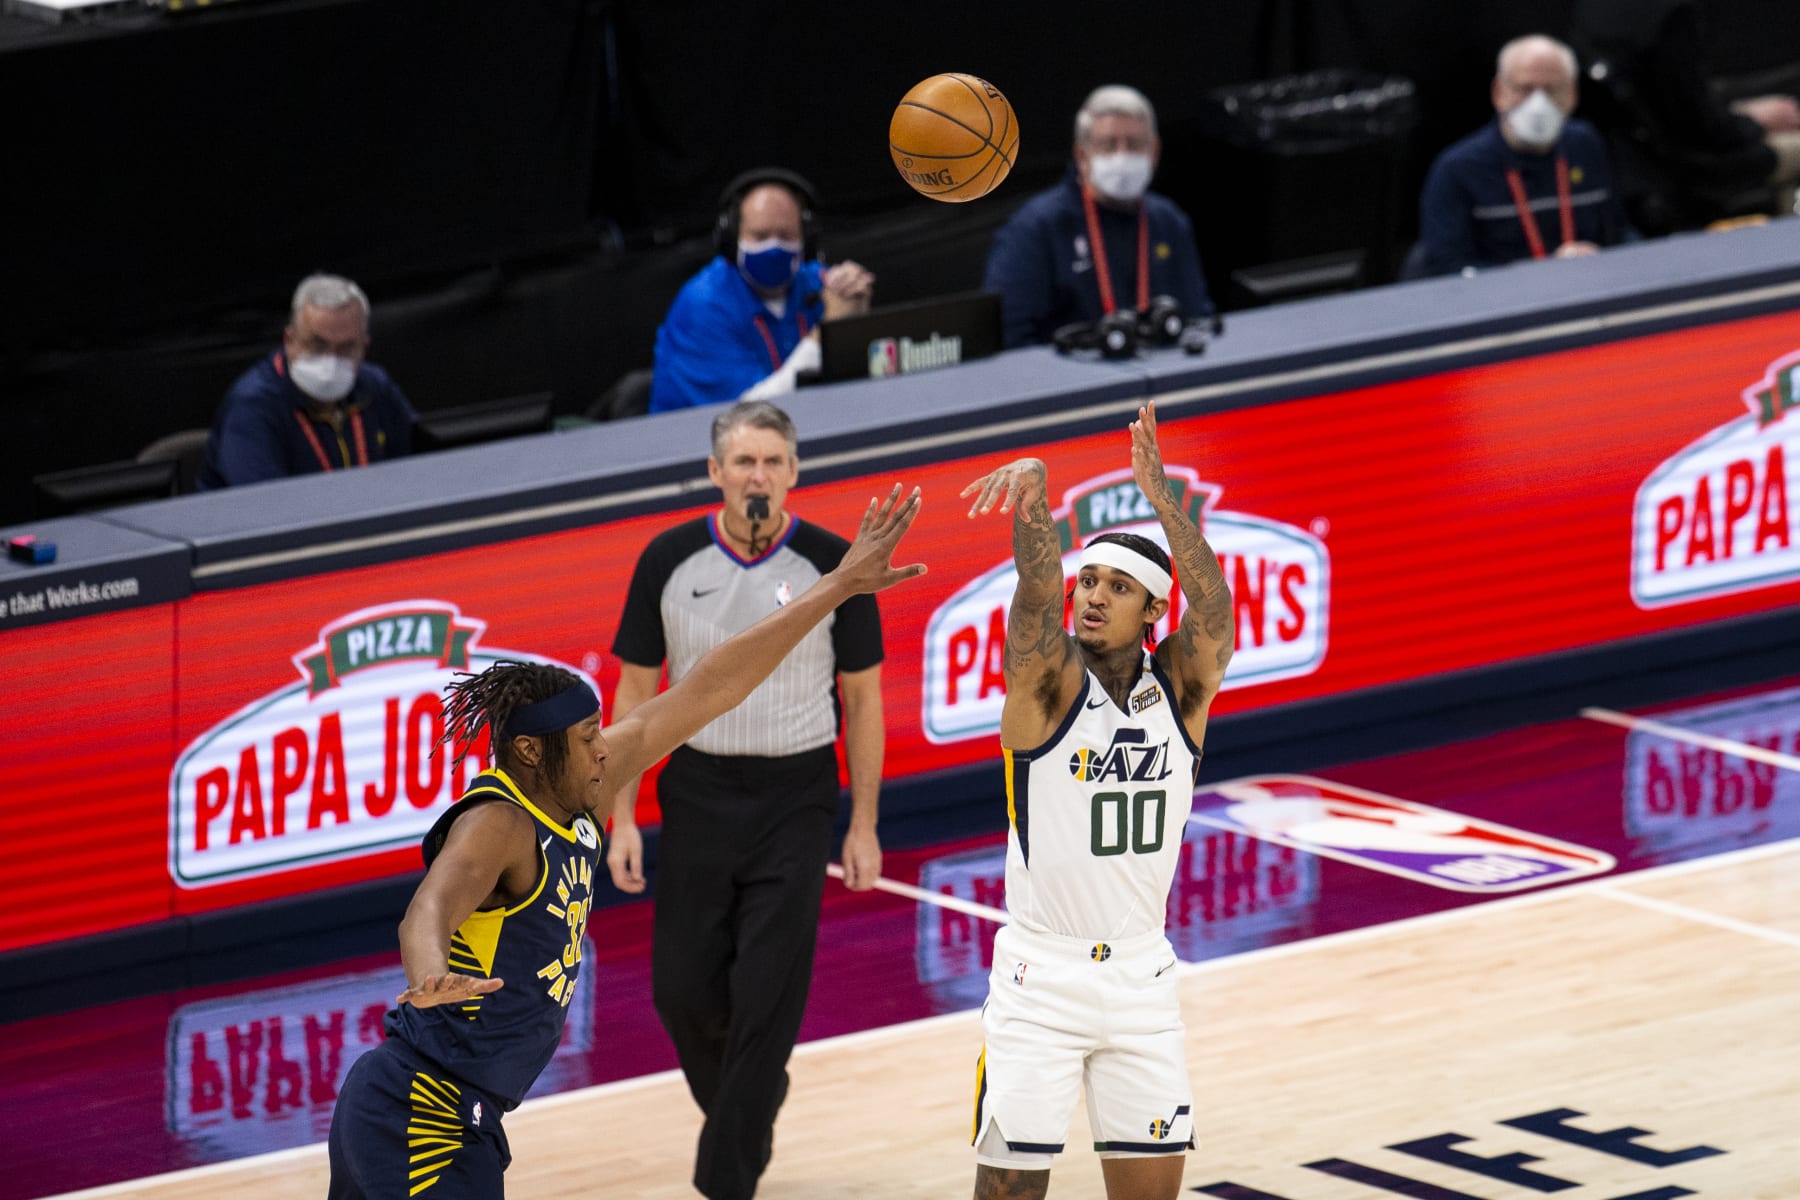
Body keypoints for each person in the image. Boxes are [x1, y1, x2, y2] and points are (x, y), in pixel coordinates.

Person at [324, 482, 925, 1199]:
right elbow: (428, 908)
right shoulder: (500, 823)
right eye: (586, 740)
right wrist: (429, 978)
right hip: (423, 1112)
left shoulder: (587, 789)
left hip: (451, 1107)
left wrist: (837, 587)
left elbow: (713, 684)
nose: (606, 750)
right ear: (530, 755)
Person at [604, 399, 887, 1200]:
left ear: (794, 474)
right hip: (693, 789)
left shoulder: (839, 566)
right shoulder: (667, 558)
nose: (757, 475)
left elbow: (863, 703)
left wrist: (862, 824)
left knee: (767, 991)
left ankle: (724, 1183)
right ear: (715, 473)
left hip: (797, 794)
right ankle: (755, 1100)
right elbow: (634, 692)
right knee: (680, 992)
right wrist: (621, 813)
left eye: (773, 461)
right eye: (743, 462)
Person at [956, 400, 1234, 1200]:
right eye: (1090, 581)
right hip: (1041, 981)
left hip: (1144, 978)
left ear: (1153, 611)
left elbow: (1215, 612)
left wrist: (1163, 501)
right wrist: (1036, 495)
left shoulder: (1179, 691)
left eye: (1118, 586)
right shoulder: (1045, 687)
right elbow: (1037, 593)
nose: (1092, 597)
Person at [981, 85, 1212, 350]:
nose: (1122, 155)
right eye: (1108, 144)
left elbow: (1198, 319)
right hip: (1072, 381)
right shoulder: (1035, 228)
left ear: (1154, 152)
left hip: (1161, 377)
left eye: (1135, 144)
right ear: (1082, 155)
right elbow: (1008, 337)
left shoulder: (1168, 221)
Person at [649, 168, 876, 413]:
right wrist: (827, 334)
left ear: (806, 240)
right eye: (760, 236)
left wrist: (853, 299)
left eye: (786, 235)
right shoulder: (703, 305)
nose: (774, 247)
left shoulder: (813, 282)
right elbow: (747, 416)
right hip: (702, 444)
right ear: (732, 238)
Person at [1411, 35, 1633, 278]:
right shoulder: (1458, 169)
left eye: (1551, 89)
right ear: (1499, 92)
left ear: (1572, 93)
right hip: (1501, 305)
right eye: (1525, 89)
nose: (1539, 104)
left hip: (1587, 290)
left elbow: (1618, 233)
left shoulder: (1586, 145)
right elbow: (1446, 271)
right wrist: (1544, 271)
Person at [1572, 0, 1800, 232]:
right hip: (1687, 171)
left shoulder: (1595, 11)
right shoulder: (1669, 15)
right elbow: (1702, 130)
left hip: (1635, 162)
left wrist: (1744, 112)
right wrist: (1754, 122)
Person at [197, 273, 416, 489]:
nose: (331, 361)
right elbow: (264, 507)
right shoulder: (252, 406)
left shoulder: (375, 386)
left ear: (364, 347)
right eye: (317, 345)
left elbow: (418, 465)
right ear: (289, 340)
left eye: (346, 348)